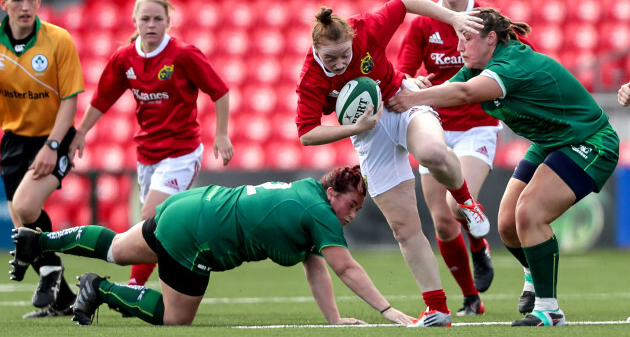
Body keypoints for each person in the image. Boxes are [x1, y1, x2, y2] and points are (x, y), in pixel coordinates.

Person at [387, 7, 620, 327]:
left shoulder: (510, 64)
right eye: (458, 39)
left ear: (491, 38)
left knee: (529, 214)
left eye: (466, 39)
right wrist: (413, 90)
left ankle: (549, 310)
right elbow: (447, 94)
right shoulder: (477, 66)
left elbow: (464, 93)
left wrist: (413, 98)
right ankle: (534, 276)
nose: (459, 48)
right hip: (551, 141)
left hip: (590, 141)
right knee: (508, 223)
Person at [10, 165, 416, 327]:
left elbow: (316, 266)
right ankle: (100, 289)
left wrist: (334, 319)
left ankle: (38, 239)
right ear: (332, 193)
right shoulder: (320, 213)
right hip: (201, 234)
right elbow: (344, 267)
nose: (352, 214)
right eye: (352, 203)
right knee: (174, 318)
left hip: (193, 204)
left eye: (359, 209)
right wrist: (389, 310)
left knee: (117, 246)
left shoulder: (308, 192)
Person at [296, 0, 489, 327]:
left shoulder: (366, 29)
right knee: (404, 230)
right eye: (332, 59)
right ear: (316, 51)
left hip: (401, 100)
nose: (340, 64)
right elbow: (306, 134)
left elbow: (405, 1)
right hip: (368, 132)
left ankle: (466, 202)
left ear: (352, 41)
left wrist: (453, 18)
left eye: (345, 55)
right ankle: (437, 308)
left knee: (432, 153)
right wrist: (354, 128)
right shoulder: (311, 77)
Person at [69, 0, 233, 288]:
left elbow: (220, 90)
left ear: (168, 21)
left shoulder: (184, 54)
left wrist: (221, 134)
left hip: (181, 153)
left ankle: (135, 286)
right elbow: (103, 98)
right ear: (135, 21)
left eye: (158, 18)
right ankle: (173, 268)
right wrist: (81, 132)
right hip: (147, 154)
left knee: (149, 218)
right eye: (145, 18)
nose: (152, 24)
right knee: (161, 228)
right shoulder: (125, 58)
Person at [396, 0, 497, 316]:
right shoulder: (424, 22)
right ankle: (471, 296)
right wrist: (414, 82)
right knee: (441, 221)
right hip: (435, 127)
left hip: (476, 125)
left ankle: (478, 247)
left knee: (457, 205)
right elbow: (403, 72)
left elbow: (517, 55)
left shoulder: (486, 20)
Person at [1, 0, 82, 318]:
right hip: (15, 138)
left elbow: (70, 100)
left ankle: (48, 270)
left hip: (56, 136)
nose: (25, 7)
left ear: (40, 1)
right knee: (21, 219)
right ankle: (63, 300)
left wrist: (52, 146)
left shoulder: (58, 40)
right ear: (3, 3)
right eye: (17, 0)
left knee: (26, 207)